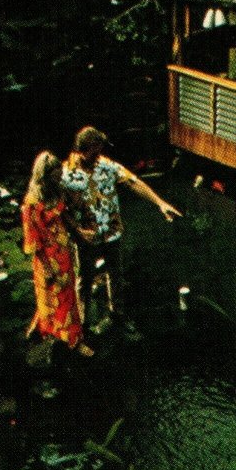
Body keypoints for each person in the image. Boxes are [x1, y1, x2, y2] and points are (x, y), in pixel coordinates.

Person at [61, 126, 182, 339]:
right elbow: (57, 209)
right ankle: (82, 323)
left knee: (115, 275)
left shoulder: (106, 166)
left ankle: (118, 316)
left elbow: (133, 182)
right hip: (86, 237)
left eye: (100, 151)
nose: (99, 156)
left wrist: (160, 203)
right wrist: (76, 230)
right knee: (84, 279)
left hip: (111, 232)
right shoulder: (65, 174)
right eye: (95, 152)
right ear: (82, 150)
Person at [21, 150, 94, 357]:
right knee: (51, 297)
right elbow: (33, 240)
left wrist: (80, 232)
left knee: (68, 296)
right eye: (56, 175)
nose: (60, 178)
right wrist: (46, 267)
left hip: (63, 252)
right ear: (44, 175)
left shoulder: (55, 192)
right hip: (46, 257)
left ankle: (67, 336)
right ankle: (67, 339)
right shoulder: (32, 204)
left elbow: (64, 217)